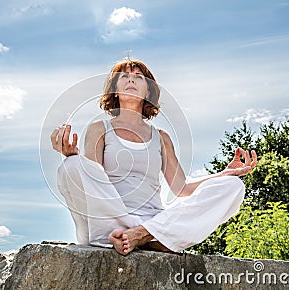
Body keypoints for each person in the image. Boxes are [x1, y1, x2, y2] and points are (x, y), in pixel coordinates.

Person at [51, 58, 257, 255]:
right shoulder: (99, 129)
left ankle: (142, 235)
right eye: (124, 76)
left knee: (233, 186)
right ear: (114, 89)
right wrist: (73, 155)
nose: (131, 79)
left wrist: (224, 174)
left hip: (153, 221)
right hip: (110, 219)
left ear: (148, 90)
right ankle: (134, 236)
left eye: (139, 77)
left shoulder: (161, 138)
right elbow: (94, 179)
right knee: (71, 165)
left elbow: (181, 188)